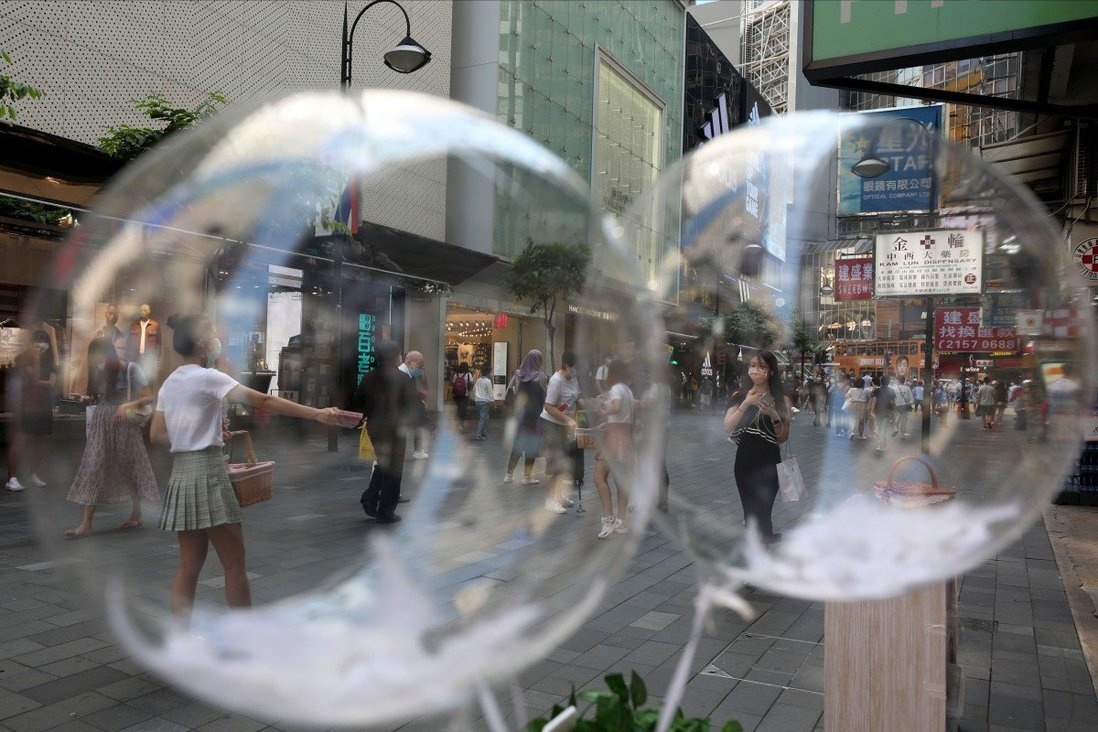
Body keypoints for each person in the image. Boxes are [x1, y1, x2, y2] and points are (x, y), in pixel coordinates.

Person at [151, 313, 339, 620]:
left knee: (188, 566)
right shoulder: (209, 377)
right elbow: (264, 402)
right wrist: (317, 414)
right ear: (201, 344)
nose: (217, 341)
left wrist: (194, 431)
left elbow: (157, 435)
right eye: (213, 336)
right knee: (234, 564)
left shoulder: (169, 384)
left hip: (181, 476)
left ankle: (181, 639)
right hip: (209, 474)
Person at [64, 338, 159, 537]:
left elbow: (149, 397)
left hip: (124, 424)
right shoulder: (99, 371)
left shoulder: (130, 369)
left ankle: (136, 512)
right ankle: (86, 523)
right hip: (102, 423)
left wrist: (125, 406)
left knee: (128, 468)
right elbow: (95, 393)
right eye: (94, 357)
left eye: (100, 356)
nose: (98, 360)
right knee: (94, 466)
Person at [723, 350, 791, 544]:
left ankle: (762, 535)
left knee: (764, 505)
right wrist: (747, 403)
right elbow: (727, 426)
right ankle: (758, 539)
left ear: (770, 371)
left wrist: (773, 415)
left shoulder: (782, 400)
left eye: (761, 366)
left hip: (769, 460)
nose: (755, 370)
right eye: (752, 365)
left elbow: (783, 437)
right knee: (750, 506)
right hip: (745, 460)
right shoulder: (739, 396)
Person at [352, 341, 419, 524]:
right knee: (393, 470)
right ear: (393, 357)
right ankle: (385, 512)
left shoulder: (368, 377)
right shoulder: (402, 379)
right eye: (398, 354)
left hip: (375, 428)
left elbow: (357, 402)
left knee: (383, 465)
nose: (400, 357)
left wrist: (364, 416)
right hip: (395, 430)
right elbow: (413, 406)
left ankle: (369, 498)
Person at [5, 336, 55, 492]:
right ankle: (11, 478)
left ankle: (32, 474)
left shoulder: (50, 363)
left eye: (44, 344)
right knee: (20, 439)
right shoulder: (24, 360)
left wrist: (43, 380)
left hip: (43, 406)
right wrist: (36, 359)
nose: (41, 348)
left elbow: (53, 382)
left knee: (40, 441)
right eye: (38, 344)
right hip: (26, 406)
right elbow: (35, 378)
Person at [595, 359, 636, 538]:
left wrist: (605, 412)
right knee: (621, 482)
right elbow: (628, 418)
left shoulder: (617, 389)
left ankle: (609, 519)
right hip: (626, 438)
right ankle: (621, 521)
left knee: (599, 477)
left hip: (614, 440)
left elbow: (617, 407)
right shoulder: (628, 390)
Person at [539, 351, 582, 513]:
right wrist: (568, 420)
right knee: (553, 463)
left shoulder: (573, 378)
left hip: (563, 426)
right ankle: (550, 501)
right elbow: (548, 407)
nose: (577, 372)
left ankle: (559, 496)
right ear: (567, 366)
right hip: (550, 425)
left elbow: (578, 397)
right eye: (575, 368)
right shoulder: (556, 381)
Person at [505, 349, 547, 485]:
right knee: (531, 446)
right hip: (535, 416)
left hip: (520, 416)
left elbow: (512, 392)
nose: (540, 362)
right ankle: (527, 477)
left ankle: (508, 475)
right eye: (539, 360)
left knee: (517, 445)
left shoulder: (518, 375)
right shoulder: (541, 377)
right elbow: (546, 397)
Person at [398, 350, 430, 460]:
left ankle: (418, 450)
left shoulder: (406, 374)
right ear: (410, 362)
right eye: (420, 365)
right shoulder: (402, 375)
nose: (421, 369)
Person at [126, 303, 161, 382]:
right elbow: (128, 343)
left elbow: (158, 344)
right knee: (135, 381)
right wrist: (128, 359)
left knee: (148, 381)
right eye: (141, 310)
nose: (143, 312)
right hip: (135, 358)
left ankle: (148, 394)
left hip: (148, 360)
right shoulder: (134, 325)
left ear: (149, 311)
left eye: (145, 310)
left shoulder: (155, 325)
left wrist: (156, 361)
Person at [868, 374, 896, 453]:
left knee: (881, 428)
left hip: (878, 411)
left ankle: (880, 445)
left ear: (881, 381)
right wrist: (894, 411)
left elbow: (874, 401)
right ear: (889, 382)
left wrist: (872, 410)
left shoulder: (877, 390)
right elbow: (893, 403)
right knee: (883, 428)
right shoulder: (892, 391)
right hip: (888, 411)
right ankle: (883, 444)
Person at [471, 363, 493, 441]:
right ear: (488, 372)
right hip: (484, 402)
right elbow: (490, 392)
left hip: (478, 401)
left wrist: (475, 397)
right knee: (483, 418)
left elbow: (474, 390)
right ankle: (478, 435)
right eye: (490, 372)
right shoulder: (488, 381)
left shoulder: (478, 380)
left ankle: (483, 432)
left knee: (485, 417)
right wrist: (492, 401)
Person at [451, 362, 472, 429]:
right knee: (463, 409)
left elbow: (453, 383)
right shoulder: (468, 374)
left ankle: (457, 422)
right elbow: (471, 382)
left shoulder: (456, 374)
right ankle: (460, 424)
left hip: (456, 395)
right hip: (465, 394)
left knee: (459, 408)